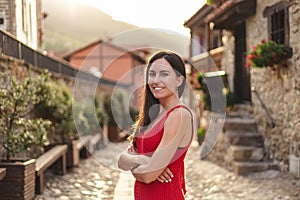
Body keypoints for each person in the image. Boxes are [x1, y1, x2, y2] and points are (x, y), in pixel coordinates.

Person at [117, 50, 195, 200]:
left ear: (179, 80)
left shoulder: (178, 115)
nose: (155, 80)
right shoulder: (153, 116)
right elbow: (121, 160)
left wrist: (135, 162)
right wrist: (143, 160)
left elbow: (147, 176)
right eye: (152, 74)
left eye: (164, 74)